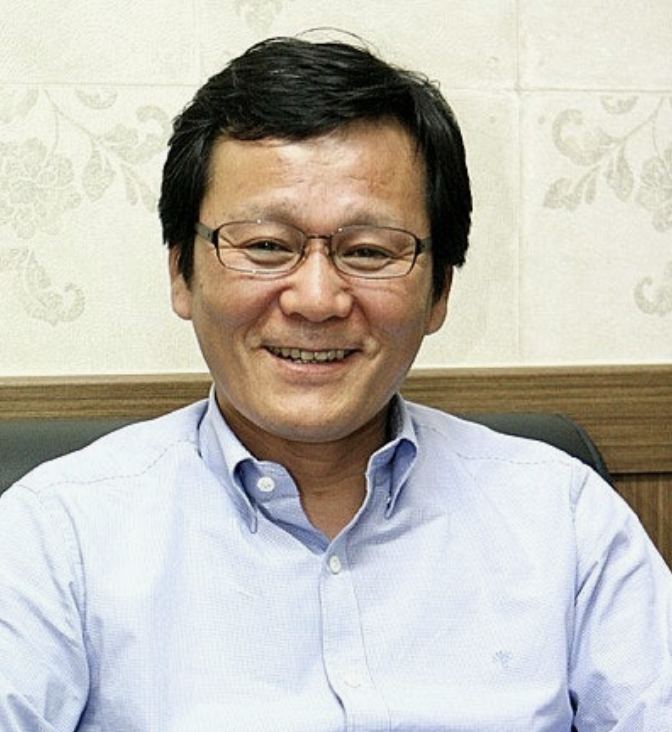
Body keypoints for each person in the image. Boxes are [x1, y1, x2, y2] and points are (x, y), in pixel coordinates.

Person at [0, 34, 670, 732]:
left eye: (369, 251)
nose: (317, 299)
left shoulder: (565, 520)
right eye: (266, 246)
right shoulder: (55, 537)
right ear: (181, 274)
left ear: (440, 291)